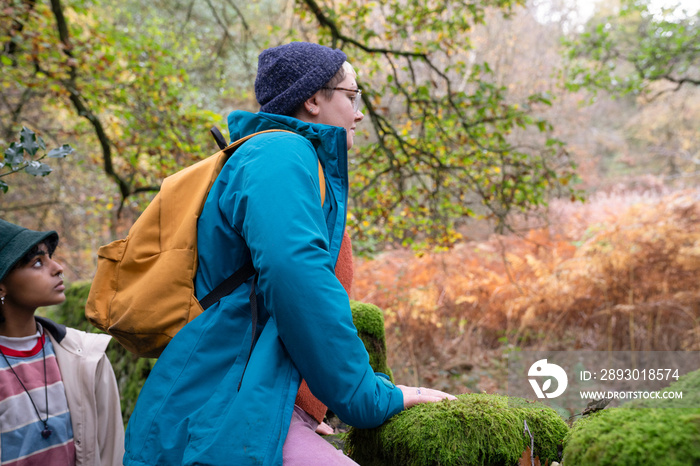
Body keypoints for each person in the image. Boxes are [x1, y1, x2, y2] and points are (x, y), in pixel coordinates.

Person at [123, 41, 455, 466]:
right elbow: (296, 279)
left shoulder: (277, 157)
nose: (358, 113)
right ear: (314, 98)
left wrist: (299, 404)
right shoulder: (280, 153)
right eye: (352, 97)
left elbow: (260, 308)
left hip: (238, 401)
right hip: (222, 414)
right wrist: (367, 396)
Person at [0, 219, 125, 465]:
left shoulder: (87, 356)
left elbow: (111, 451)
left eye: (50, 257)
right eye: (37, 262)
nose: (57, 267)